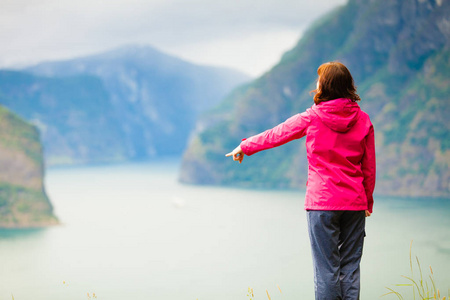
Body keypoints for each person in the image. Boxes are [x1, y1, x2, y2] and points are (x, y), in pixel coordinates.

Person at [225, 61, 376, 300]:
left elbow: (278, 134)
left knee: (326, 271)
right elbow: (368, 168)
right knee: (349, 269)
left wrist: (245, 146)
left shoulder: (312, 117)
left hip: (322, 204)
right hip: (354, 203)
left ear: (325, 86)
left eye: (319, 80)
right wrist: (367, 201)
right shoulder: (364, 120)